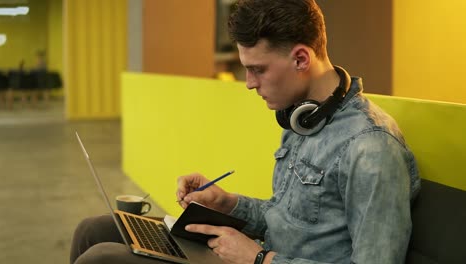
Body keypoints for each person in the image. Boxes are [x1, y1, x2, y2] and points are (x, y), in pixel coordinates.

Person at [70, 0, 421, 263]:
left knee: (101, 259)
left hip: (259, 261)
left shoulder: (371, 148)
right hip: (254, 255)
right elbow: (281, 217)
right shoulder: (303, 118)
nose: (249, 84)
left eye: (258, 70)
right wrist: (228, 204)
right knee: (94, 229)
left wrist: (259, 259)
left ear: (301, 59)